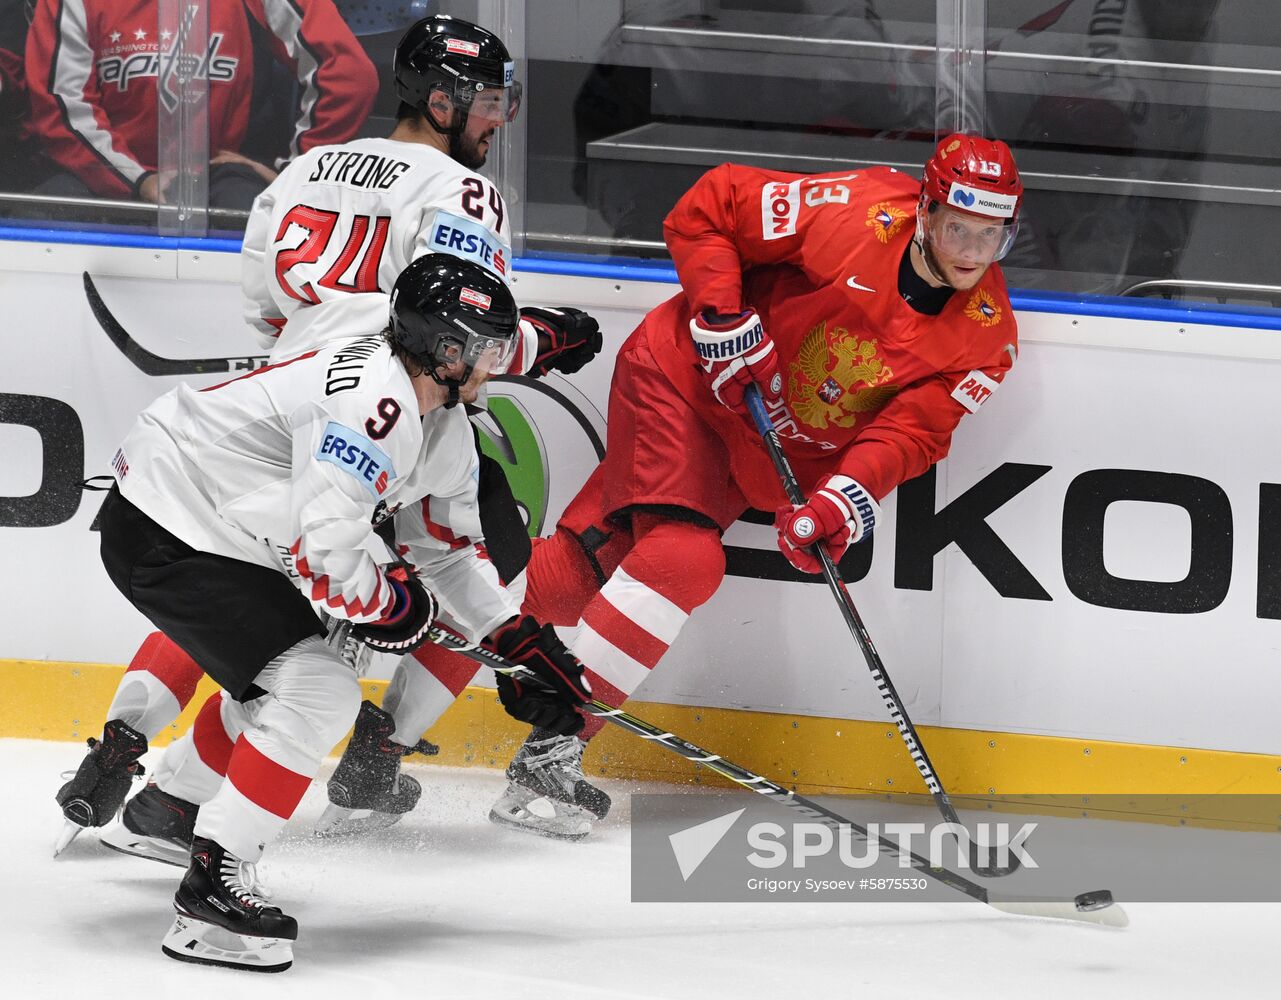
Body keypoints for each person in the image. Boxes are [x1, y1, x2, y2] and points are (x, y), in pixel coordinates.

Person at [55, 14, 606, 859]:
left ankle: (133, 750)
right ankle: (182, 803)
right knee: (314, 651)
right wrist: (541, 340)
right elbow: (461, 324)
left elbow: (264, 304)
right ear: (440, 97)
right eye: (490, 100)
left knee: (237, 586)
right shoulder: (463, 193)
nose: (500, 118)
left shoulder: (306, 167)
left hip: (286, 400)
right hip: (384, 415)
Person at [84, 254, 591, 972]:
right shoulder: (374, 405)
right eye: (487, 350)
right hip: (168, 522)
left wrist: (516, 641)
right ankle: (211, 890)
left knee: (290, 682)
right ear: (447, 353)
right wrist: (393, 606)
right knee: (317, 687)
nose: (499, 363)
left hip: (215, 521)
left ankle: (169, 812)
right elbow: (328, 548)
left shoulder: (438, 416)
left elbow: (443, 555)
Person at [508, 133, 1024, 837]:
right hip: (686, 383)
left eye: (990, 235)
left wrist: (845, 494)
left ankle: (413, 587)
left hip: (759, 446)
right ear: (926, 212)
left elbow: (912, 432)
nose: (970, 251)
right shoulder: (855, 210)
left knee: (571, 580)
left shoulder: (987, 339)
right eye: (959, 227)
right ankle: (551, 750)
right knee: (681, 559)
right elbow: (709, 208)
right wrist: (719, 314)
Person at [24, 0, 377, 207]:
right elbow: (60, 105)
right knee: (43, 218)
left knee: (260, 216)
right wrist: (138, 179)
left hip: (215, 181)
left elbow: (348, 76)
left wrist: (295, 176)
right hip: (99, 179)